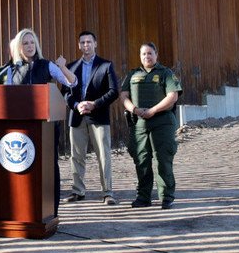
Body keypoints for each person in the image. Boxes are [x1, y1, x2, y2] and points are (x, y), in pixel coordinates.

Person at [0, 28, 78, 216]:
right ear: (19, 47)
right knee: (25, 167)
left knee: (48, 168)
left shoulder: (47, 65)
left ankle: (50, 211)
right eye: (25, 43)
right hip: (21, 129)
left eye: (32, 42)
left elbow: (72, 83)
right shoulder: (11, 69)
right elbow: (4, 96)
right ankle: (24, 209)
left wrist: (63, 67)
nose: (30, 46)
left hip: (46, 127)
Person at [120, 42, 182, 209]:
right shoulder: (132, 74)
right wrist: (134, 109)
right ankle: (143, 197)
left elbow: (173, 96)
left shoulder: (166, 73)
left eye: (149, 53)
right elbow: (124, 96)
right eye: (143, 54)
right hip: (139, 124)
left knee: (163, 160)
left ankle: (166, 197)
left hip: (162, 123)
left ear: (156, 55)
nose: (147, 57)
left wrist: (153, 110)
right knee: (141, 160)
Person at [63, 31, 119, 205]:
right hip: (77, 117)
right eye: (82, 42)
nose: (85, 45)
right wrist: (75, 105)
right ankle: (78, 191)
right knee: (76, 156)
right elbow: (64, 92)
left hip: (98, 117)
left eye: (89, 42)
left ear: (95, 44)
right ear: (79, 45)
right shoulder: (70, 67)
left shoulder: (106, 65)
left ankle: (107, 193)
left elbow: (114, 91)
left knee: (104, 155)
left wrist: (95, 104)